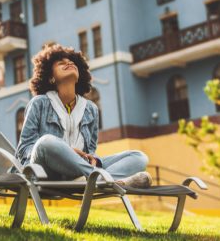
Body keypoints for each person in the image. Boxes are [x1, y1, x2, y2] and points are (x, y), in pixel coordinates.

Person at [15, 44, 152, 188]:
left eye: (72, 63)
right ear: (50, 78)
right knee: (46, 142)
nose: (68, 63)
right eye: (61, 63)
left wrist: (94, 160)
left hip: (78, 172)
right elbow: (24, 148)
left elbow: (90, 152)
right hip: (46, 171)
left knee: (138, 157)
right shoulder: (39, 103)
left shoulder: (91, 109)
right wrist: (66, 150)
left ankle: (93, 180)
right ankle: (102, 180)